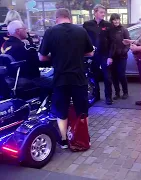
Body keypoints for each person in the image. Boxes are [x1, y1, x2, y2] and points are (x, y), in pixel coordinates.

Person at [38, 8, 94, 149]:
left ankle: (63, 140)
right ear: (70, 17)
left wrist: (55, 57)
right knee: (82, 110)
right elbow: (91, 53)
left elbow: (42, 57)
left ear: (57, 18)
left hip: (60, 78)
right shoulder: (81, 31)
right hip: (78, 78)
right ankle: (83, 137)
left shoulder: (50, 32)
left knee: (61, 110)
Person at [1, 20, 52, 101]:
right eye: (24, 29)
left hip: (10, 79)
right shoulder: (23, 46)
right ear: (18, 31)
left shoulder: (4, 45)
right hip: (30, 78)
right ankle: (53, 111)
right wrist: (54, 59)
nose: (27, 31)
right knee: (58, 84)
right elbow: (39, 61)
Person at [83, 4, 114, 105]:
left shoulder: (108, 25)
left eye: (104, 13)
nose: (103, 14)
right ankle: (96, 96)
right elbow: (83, 40)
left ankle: (108, 97)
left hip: (105, 55)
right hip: (92, 55)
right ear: (95, 12)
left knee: (107, 77)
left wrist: (110, 56)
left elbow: (112, 42)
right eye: (101, 12)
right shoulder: (87, 24)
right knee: (94, 76)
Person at [109, 13, 130, 100]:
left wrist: (124, 51)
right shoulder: (110, 30)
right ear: (111, 21)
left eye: (117, 19)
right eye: (114, 19)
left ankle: (125, 92)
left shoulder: (124, 30)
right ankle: (117, 93)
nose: (116, 21)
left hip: (122, 57)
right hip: (113, 57)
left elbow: (127, 43)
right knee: (114, 76)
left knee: (121, 75)